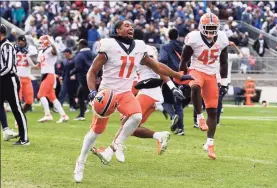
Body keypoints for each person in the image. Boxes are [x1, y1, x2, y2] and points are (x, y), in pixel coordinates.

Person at [74, 20, 192, 183]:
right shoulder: (108, 45)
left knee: (136, 117)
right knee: (96, 132)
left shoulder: (139, 46)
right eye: (127, 26)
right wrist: (93, 91)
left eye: (132, 26)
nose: (131, 27)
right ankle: (80, 162)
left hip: (125, 93)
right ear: (118, 30)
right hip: (107, 93)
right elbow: (92, 71)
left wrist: (178, 76)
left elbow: (157, 67)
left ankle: (118, 144)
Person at [123, 28, 186, 155]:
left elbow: (158, 68)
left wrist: (172, 86)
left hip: (148, 91)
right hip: (150, 91)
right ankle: (159, 136)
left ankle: (110, 151)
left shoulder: (143, 50)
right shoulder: (143, 49)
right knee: (131, 128)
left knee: (126, 124)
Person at [178, 13, 229, 159]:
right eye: (209, 28)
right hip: (197, 69)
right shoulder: (193, 38)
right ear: (201, 27)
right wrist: (181, 77)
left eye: (214, 28)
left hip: (212, 74)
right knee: (195, 87)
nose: (211, 31)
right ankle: (199, 117)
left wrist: (224, 82)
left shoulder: (223, 38)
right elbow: (184, 60)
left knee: (213, 111)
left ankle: (210, 143)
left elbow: (224, 62)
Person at [0, 24, 29, 145]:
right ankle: (6, 129)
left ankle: (24, 138)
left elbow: (9, 66)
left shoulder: (7, 46)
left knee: (16, 108)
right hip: (2, 79)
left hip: (9, 79)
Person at [36, 35, 69, 123]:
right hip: (44, 74)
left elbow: (55, 52)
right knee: (52, 98)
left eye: (41, 41)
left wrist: (52, 44)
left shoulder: (50, 49)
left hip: (49, 74)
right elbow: (38, 66)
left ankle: (47, 115)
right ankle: (64, 115)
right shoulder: (40, 52)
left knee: (40, 95)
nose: (40, 43)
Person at [159, 28, 185, 135]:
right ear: (177, 36)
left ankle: (173, 116)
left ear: (168, 36)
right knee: (178, 103)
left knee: (164, 100)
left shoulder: (165, 46)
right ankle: (181, 129)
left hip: (170, 76)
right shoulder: (183, 47)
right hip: (182, 76)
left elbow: (163, 59)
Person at [70, 39, 94, 121]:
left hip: (84, 77)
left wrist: (72, 72)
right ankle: (83, 112)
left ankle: (82, 113)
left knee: (82, 95)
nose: (78, 46)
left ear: (82, 45)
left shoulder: (80, 55)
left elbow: (78, 67)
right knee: (83, 94)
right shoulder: (92, 54)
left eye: (79, 45)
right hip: (93, 76)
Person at [15, 35, 38, 113]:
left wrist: (27, 55)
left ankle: (21, 114)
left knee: (29, 101)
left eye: (22, 41)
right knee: (18, 100)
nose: (20, 42)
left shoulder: (30, 49)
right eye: (19, 41)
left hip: (26, 78)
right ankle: (18, 120)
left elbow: (35, 66)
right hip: (17, 78)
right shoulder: (13, 49)